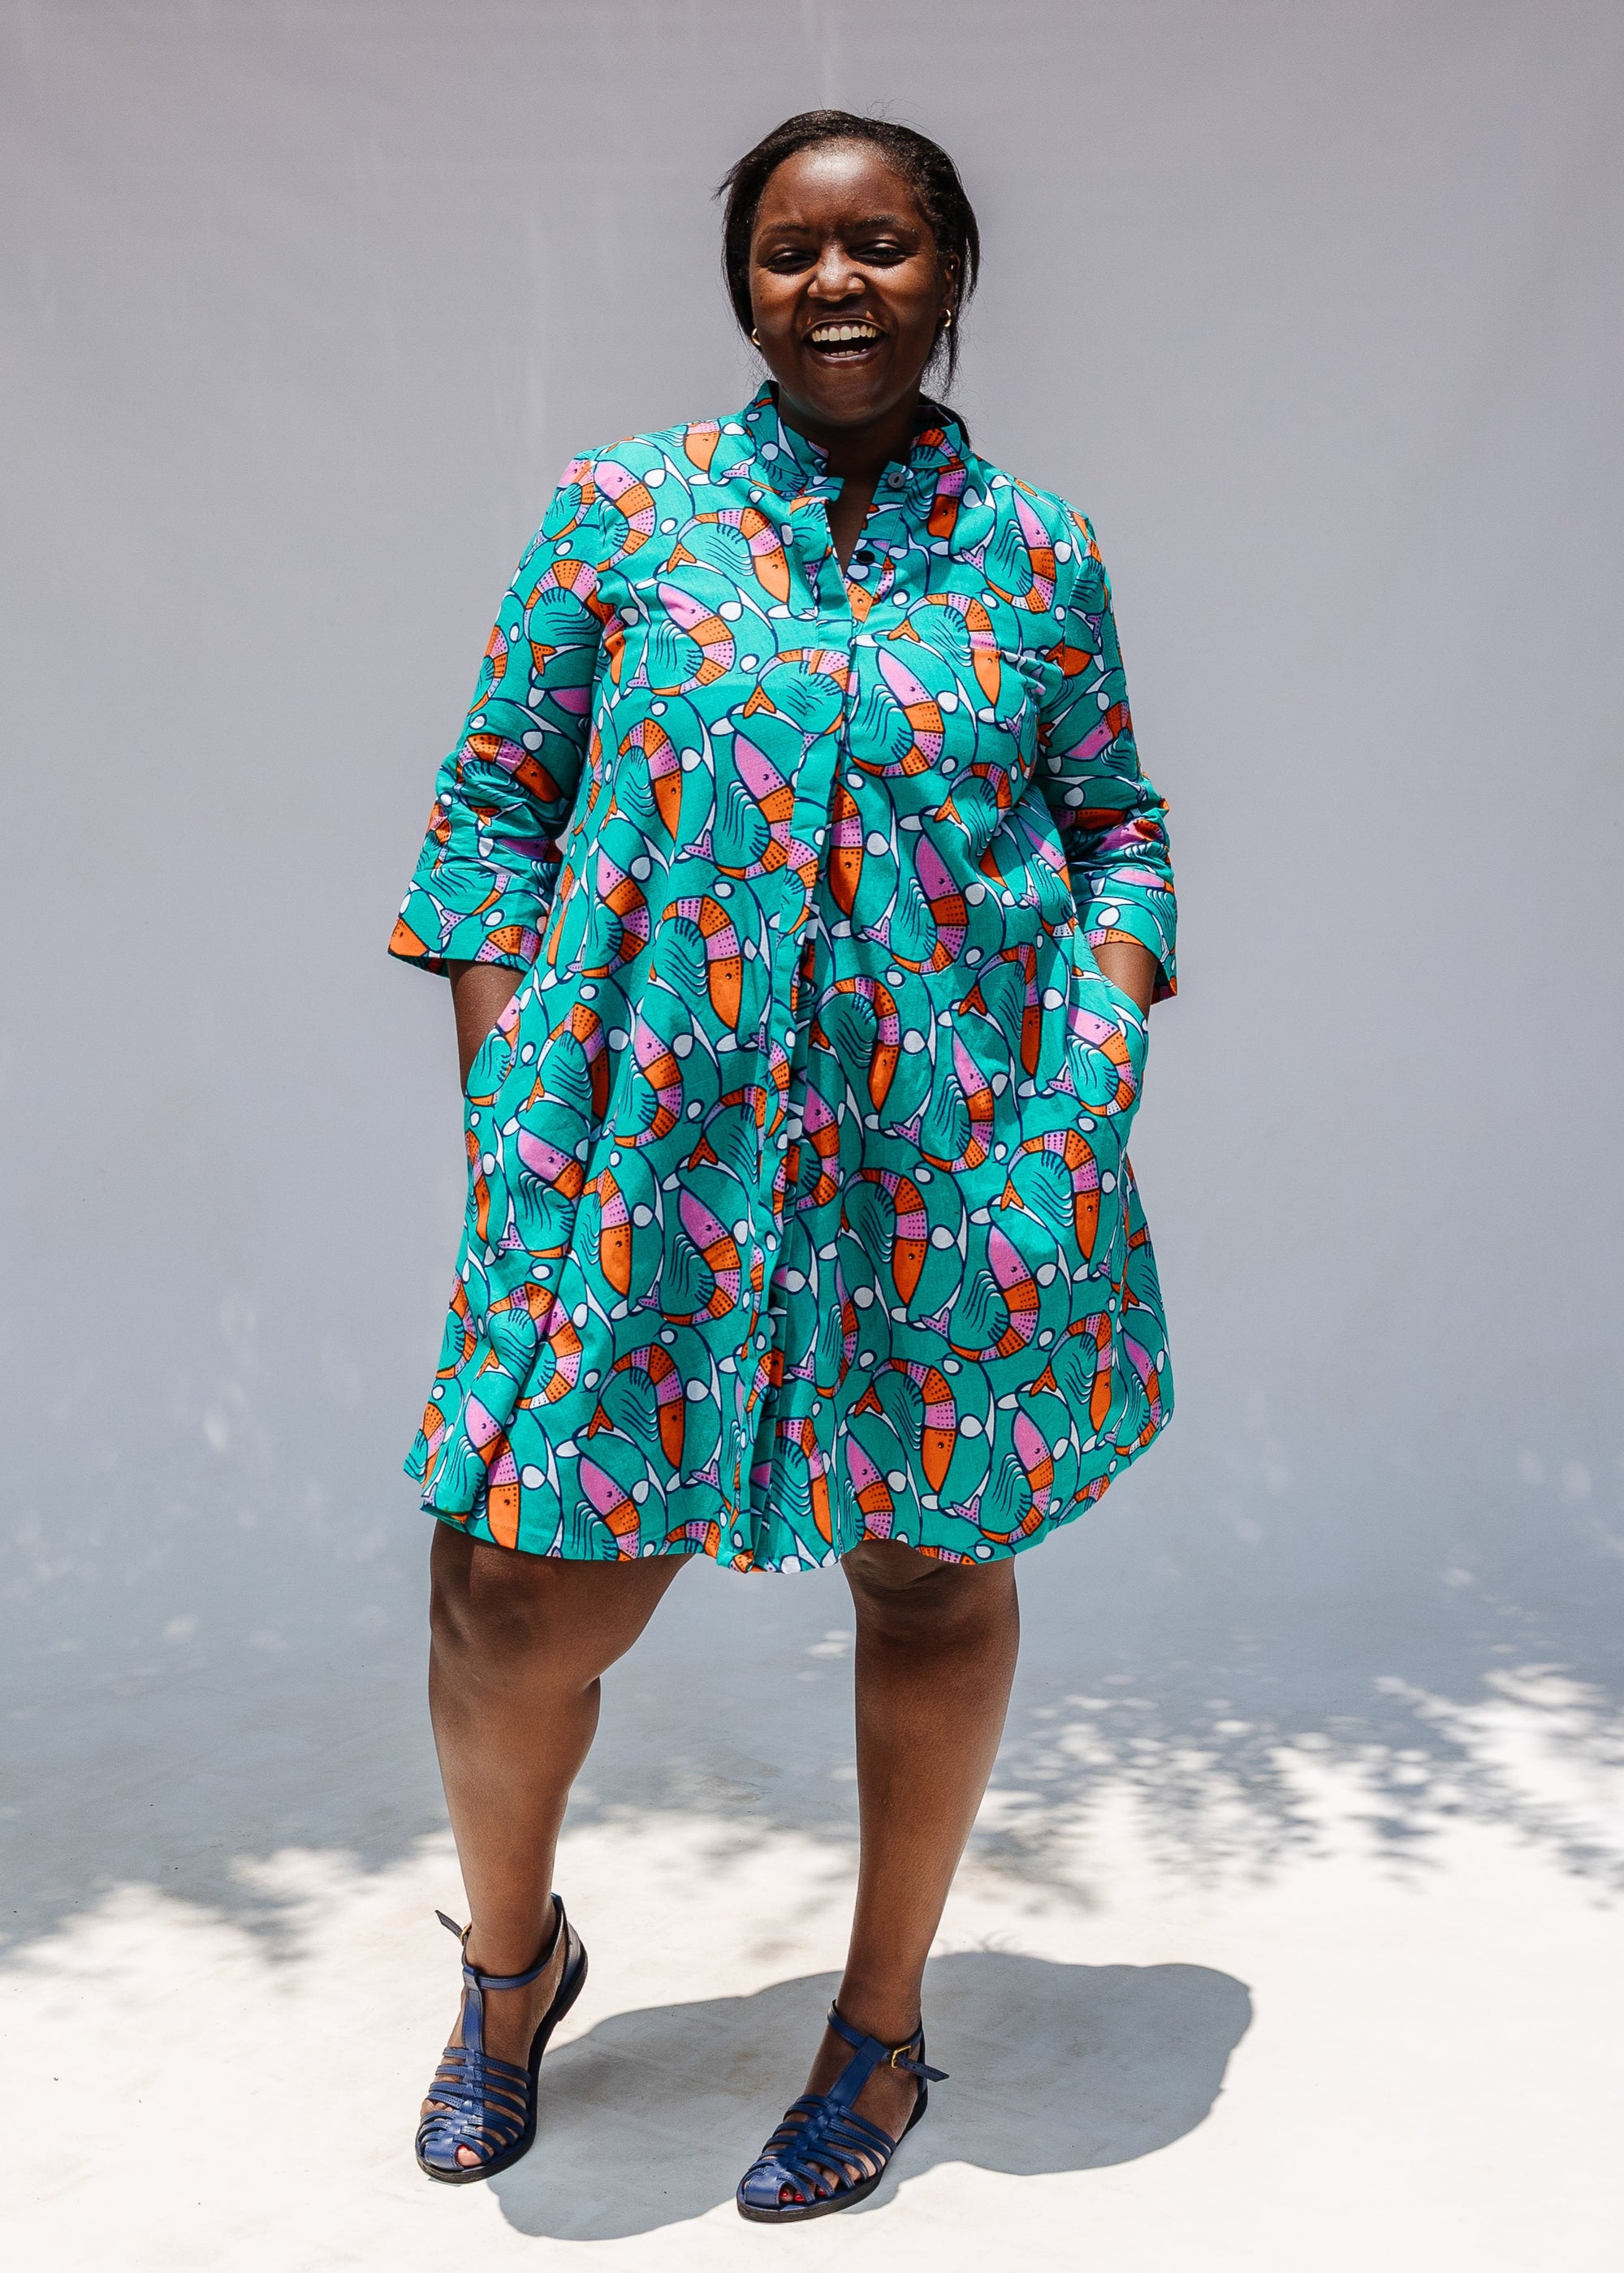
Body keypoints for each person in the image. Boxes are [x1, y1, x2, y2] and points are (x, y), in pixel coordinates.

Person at [388, 107, 1177, 2221]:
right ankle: (509, 1963)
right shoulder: (620, 522)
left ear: (950, 273)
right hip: (648, 1168)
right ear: (745, 284)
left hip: (954, 1170)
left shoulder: (1038, 552)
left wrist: (1090, 1059)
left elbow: (1118, 822)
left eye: (886, 244)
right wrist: (512, 1106)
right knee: (515, 1599)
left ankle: (882, 2031)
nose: (839, 284)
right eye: (795, 253)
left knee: (930, 1569)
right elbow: (487, 814)